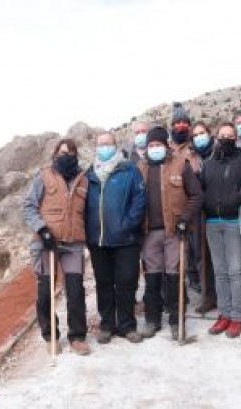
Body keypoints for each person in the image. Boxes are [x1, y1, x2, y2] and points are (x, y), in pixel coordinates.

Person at [23, 138, 91, 355]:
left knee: (75, 290)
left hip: (73, 244)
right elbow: (29, 206)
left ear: (76, 156)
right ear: (55, 154)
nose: (66, 156)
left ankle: (77, 336)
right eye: (62, 152)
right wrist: (42, 230)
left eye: (71, 153)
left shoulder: (84, 180)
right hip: (45, 244)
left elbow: (87, 213)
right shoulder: (43, 177)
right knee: (45, 292)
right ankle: (50, 336)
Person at [137, 126, 203, 339]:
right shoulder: (140, 169)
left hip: (174, 231)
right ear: (147, 148)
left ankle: (177, 321)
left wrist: (184, 219)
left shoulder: (180, 165)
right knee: (152, 278)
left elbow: (196, 196)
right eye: (151, 145)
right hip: (149, 233)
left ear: (166, 145)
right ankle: (152, 320)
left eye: (158, 144)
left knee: (174, 276)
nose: (155, 148)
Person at [201, 121, 241, 338]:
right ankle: (224, 314)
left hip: (235, 222)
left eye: (230, 136)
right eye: (222, 135)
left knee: (236, 271)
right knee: (220, 272)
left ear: (236, 138)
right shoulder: (209, 164)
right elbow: (201, 191)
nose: (226, 139)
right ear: (216, 138)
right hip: (212, 223)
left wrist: (236, 199)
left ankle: (237, 317)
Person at [85, 132, 146, 344]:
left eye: (108, 144)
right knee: (104, 283)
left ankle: (128, 325)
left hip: (126, 239)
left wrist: (127, 224)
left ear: (116, 145)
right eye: (100, 144)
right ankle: (107, 324)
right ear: (95, 148)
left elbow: (139, 201)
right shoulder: (89, 174)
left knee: (126, 282)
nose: (104, 148)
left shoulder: (129, 169)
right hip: (98, 241)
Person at [168, 102, 202, 293]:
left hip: (195, 206)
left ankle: (198, 281)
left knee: (197, 247)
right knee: (178, 251)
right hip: (174, 207)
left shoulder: (196, 147)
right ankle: (180, 288)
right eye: (177, 122)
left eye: (184, 122)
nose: (180, 126)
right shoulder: (167, 149)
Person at [189, 121, 218, 313]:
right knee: (201, 256)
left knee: (221, 257)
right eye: (196, 135)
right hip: (198, 214)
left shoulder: (219, 152)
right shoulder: (190, 158)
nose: (199, 137)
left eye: (202, 133)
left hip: (218, 211)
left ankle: (226, 296)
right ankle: (208, 297)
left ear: (209, 133)